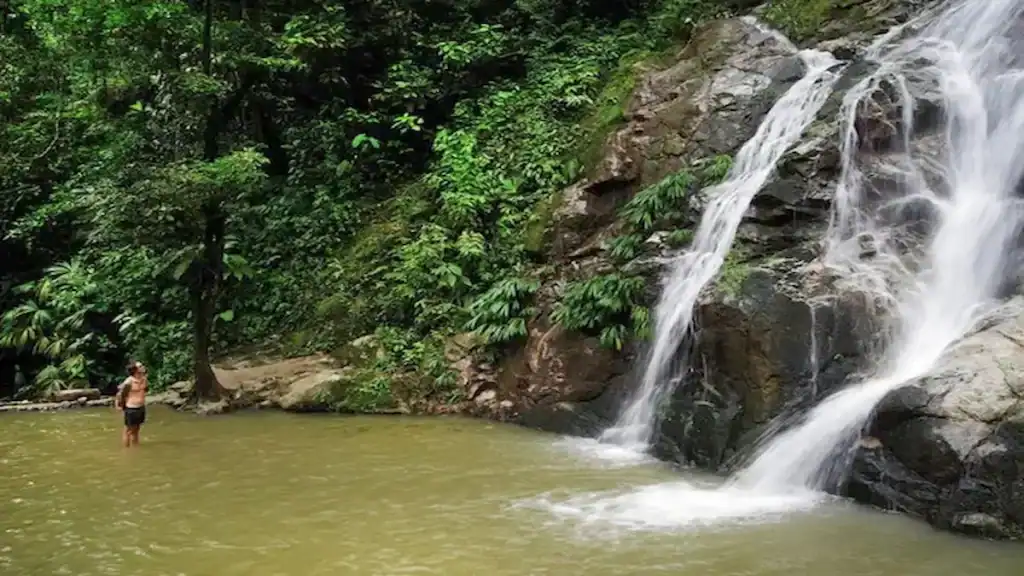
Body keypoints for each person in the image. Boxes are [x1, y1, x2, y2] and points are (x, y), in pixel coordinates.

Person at [115, 361, 148, 447]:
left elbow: (145, 391)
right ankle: (126, 450)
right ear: (135, 370)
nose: (143, 367)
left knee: (137, 429)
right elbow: (120, 394)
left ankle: (135, 448)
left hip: (141, 407)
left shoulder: (144, 379)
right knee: (128, 431)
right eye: (140, 366)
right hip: (131, 408)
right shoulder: (129, 382)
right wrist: (119, 406)